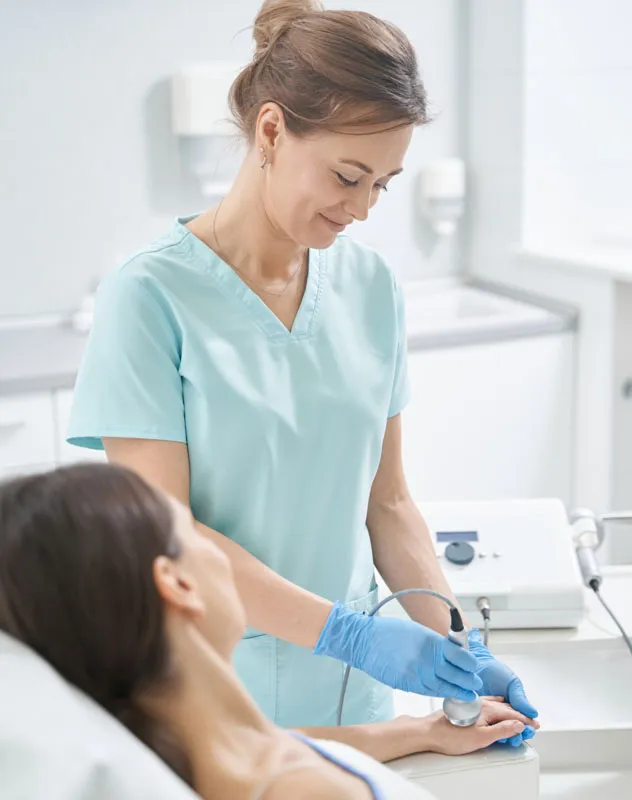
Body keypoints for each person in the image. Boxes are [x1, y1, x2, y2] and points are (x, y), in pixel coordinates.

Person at [66, 0, 537, 732]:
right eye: (348, 175)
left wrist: (456, 645)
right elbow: (164, 534)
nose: (364, 208)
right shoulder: (150, 296)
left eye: (383, 183)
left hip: (356, 701)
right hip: (214, 693)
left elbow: (388, 504)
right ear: (273, 130)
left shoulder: (371, 286)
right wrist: (346, 633)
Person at [0, 465, 538, 799]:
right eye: (193, 533)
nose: (225, 551)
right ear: (178, 583)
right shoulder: (302, 791)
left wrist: (423, 733)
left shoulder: (191, 754)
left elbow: (284, 742)